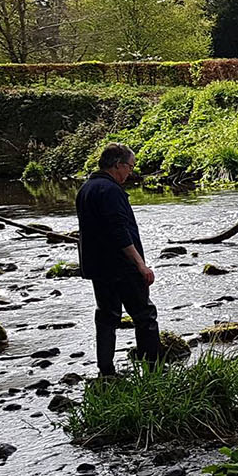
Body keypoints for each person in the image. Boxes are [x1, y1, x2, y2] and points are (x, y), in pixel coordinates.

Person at [75, 143, 164, 376]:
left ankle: (106, 370)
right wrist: (140, 264)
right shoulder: (111, 190)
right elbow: (119, 231)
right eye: (130, 167)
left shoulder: (86, 189)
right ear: (118, 165)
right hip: (121, 266)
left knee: (106, 317)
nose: (130, 173)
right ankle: (153, 371)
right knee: (145, 316)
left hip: (98, 267)